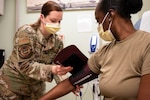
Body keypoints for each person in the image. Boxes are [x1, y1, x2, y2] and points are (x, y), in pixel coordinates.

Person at [39, 0, 150, 100]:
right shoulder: (104, 52)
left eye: (99, 21)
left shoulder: (146, 44)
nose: (99, 27)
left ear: (110, 15)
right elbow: (71, 82)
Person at [0, 1, 74, 100]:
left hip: (35, 91)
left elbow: (57, 67)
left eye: (59, 21)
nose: (57, 24)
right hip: (12, 88)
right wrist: (52, 69)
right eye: (53, 20)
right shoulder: (26, 33)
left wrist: (68, 85)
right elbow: (25, 65)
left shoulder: (57, 42)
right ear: (42, 17)